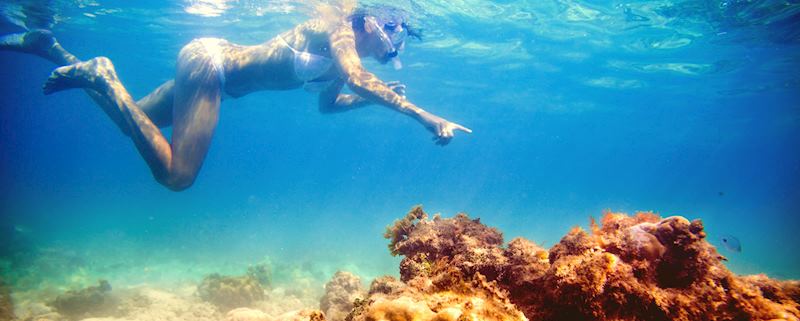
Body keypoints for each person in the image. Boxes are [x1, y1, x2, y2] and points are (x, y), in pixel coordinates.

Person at [0, 5, 471, 191]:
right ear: (372, 22)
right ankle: (102, 72)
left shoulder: (340, 60)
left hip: (216, 78)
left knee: (130, 121)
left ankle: (52, 49)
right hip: (211, 65)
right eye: (392, 35)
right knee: (177, 175)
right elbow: (357, 75)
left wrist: (369, 100)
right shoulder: (340, 25)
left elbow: (328, 104)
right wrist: (424, 116)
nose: (391, 48)